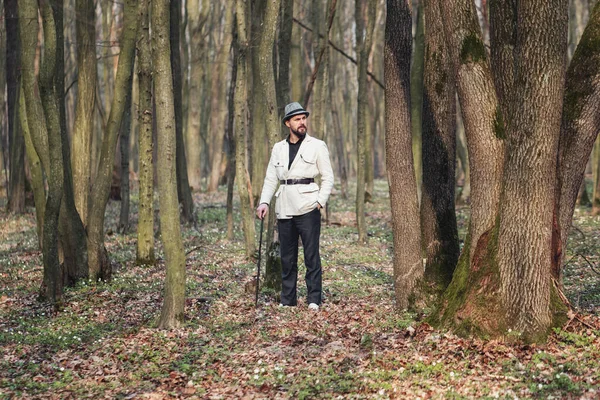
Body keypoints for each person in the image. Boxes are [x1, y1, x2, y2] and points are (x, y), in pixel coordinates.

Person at [256, 102, 334, 310]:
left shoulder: (317, 145)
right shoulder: (278, 148)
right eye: (297, 119)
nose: (302, 122)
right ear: (287, 123)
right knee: (287, 257)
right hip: (284, 207)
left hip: (309, 206)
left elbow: (328, 177)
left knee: (311, 255)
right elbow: (271, 178)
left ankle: (314, 299)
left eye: (303, 118)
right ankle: (288, 299)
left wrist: (320, 202)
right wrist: (264, 201)